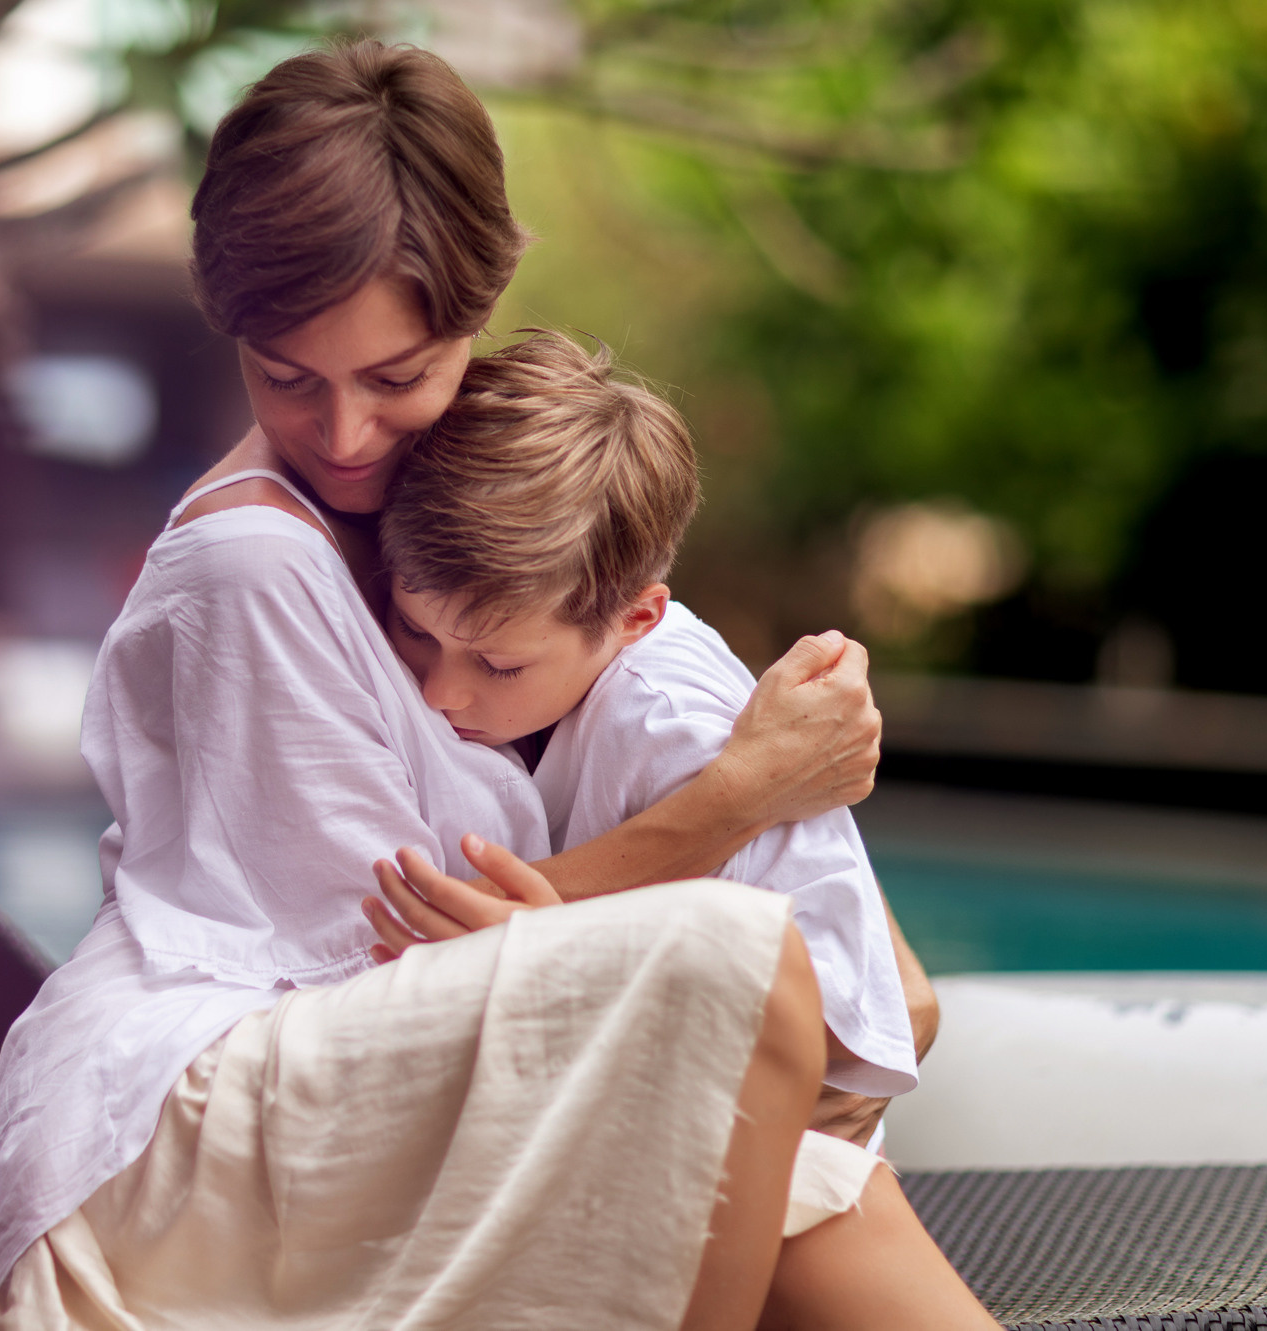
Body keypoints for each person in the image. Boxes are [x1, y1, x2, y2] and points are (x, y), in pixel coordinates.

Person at [0, 40, 982, 1331]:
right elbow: (389, 965)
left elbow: (891, 987)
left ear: (478, 316)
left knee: (795, 1131)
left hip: (348, 1082)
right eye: (286, 378)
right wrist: (739, 794)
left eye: (397, 377)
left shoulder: (480, 511)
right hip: (238, 1114)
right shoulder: (254, 569)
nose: (345, 435)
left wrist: (785, 816)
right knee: (735, 979)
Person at [365, 331, 917, 1121]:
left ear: (635, 618)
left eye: (498, 665)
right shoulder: (547, 656)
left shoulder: (669, 724)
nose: (438, 692)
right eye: (414, 631)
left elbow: (842, 1029)